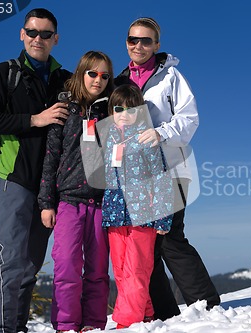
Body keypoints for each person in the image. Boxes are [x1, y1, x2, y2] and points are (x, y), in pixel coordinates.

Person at [114, 17, 221, 320]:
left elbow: (190, 118)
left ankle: (206, 304)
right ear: (126, 42)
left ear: (157, 45)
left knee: (169, 237)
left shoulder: (170, 77)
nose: (139, 46)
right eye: (133, 40)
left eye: (146, 41)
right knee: (147, 243)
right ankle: (163, 313)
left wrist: (161, 133)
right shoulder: (119, 82)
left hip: (172, 167)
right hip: (136, 175)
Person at [0, 8, 71, 333]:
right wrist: (34, 119)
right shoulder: (6, 73)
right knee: (12, 258)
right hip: (13, 177)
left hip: (49, 186)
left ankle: (15, 326)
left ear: (55, 39)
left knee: (30, 264)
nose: (37, 39)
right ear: (21, 34)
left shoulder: (64, 79)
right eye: (32, 32)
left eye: (45, 34)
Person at [37, 51, 114, 332]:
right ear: (81, 73)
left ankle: (93, 324)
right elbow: (51, 156)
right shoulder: (65, 107)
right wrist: (47, 202)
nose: (98, 80)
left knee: (96, 271)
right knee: (67, 266)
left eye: (105, 75)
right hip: (68, 200)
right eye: (92, 73)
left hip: (101, 202)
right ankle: (67, 325)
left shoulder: (111, 111)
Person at [101, 84, 173, 328]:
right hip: (115, 214)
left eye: (130, 109)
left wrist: (163, 218)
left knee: (136, 269)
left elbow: (161, 180)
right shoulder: (108, 140)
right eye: (118, 108)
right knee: (121, 269)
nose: (124, 114)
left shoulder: (146, 138)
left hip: (143, 215)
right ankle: (145, 314)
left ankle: (126, 322)